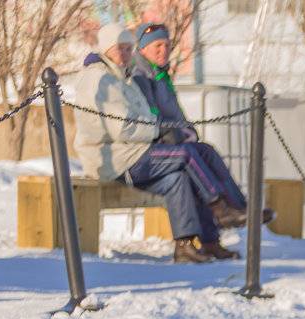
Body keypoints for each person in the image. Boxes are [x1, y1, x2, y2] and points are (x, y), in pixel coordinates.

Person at [69, 24, 239, 263]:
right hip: (114, 158)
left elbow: (147, 117)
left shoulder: (122, 78)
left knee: (179, 178)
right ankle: (219, 207)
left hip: (133, 151)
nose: (126, 54)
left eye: (129, 49)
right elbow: (122, 128)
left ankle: (188, 244)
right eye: (120, 48)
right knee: (187, 155)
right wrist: (158, 130)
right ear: (107, 49)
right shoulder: (101, 79)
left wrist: (161, 128)